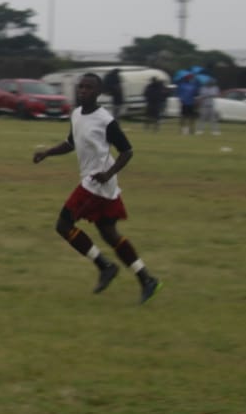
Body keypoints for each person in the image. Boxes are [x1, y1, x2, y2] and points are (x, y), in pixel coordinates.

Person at [32, 73, 162, 304]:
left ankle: (105, 266)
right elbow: (71, 143)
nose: (82, 90)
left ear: (98, 92)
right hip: (98, 181)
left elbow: (127, 151)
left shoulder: (106, 120)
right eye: (80, 87)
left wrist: (108, 174)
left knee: (63, 225)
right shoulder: (76, 114)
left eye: (88, 87)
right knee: (109, 233)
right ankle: (146, 278)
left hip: (97, 182)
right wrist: (47, 153)